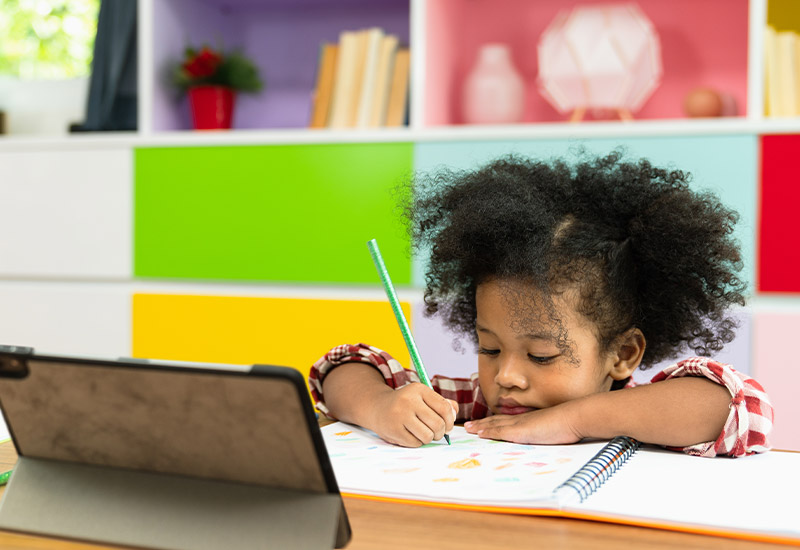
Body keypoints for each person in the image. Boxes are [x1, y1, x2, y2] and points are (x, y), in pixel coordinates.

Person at [309, 151, 773, 458]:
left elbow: (744, 407)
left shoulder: (647, 415)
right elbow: (346, 366)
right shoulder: (472, 409)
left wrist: (572, 421)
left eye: (541, 355)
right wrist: (379, 408)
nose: (505, 376)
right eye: (489, 348)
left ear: (623, 354)